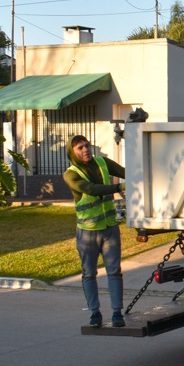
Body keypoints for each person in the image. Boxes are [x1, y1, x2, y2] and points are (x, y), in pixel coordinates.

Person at [62, 135, 127, 328]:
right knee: (89, 274)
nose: (85, 150)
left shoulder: (102, 162)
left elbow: (126, 171)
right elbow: (90, 189)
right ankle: (95, 313)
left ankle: (117, 314)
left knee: (114, 272)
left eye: (87, 145)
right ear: (72, 152)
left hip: (109, 228)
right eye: (80, 148)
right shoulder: (70, 174)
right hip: (88, 232)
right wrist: (118, 187)